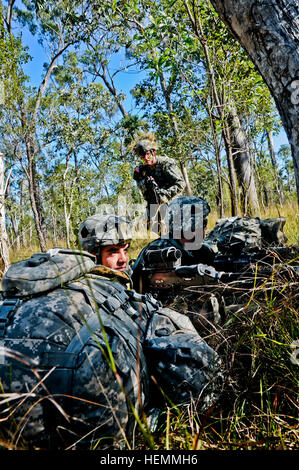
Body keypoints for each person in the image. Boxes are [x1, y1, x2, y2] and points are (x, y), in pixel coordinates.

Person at [0, 213, 224, 450]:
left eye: (126, 250)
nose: (123, 260)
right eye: (113, 252)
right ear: (93, 255)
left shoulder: (47, 284)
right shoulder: (112, 297)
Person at [133, 133, 186, 232]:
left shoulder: (166, 164)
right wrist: (138, 175)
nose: (145, 158)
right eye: (142, 156)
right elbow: (144, 189)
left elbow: (181, 184)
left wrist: (165, 194)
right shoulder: (143, 168)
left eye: (147, 154)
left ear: (154, 152)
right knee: (150, 228)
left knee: (174, 231)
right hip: (154, 203)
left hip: (172, 200)